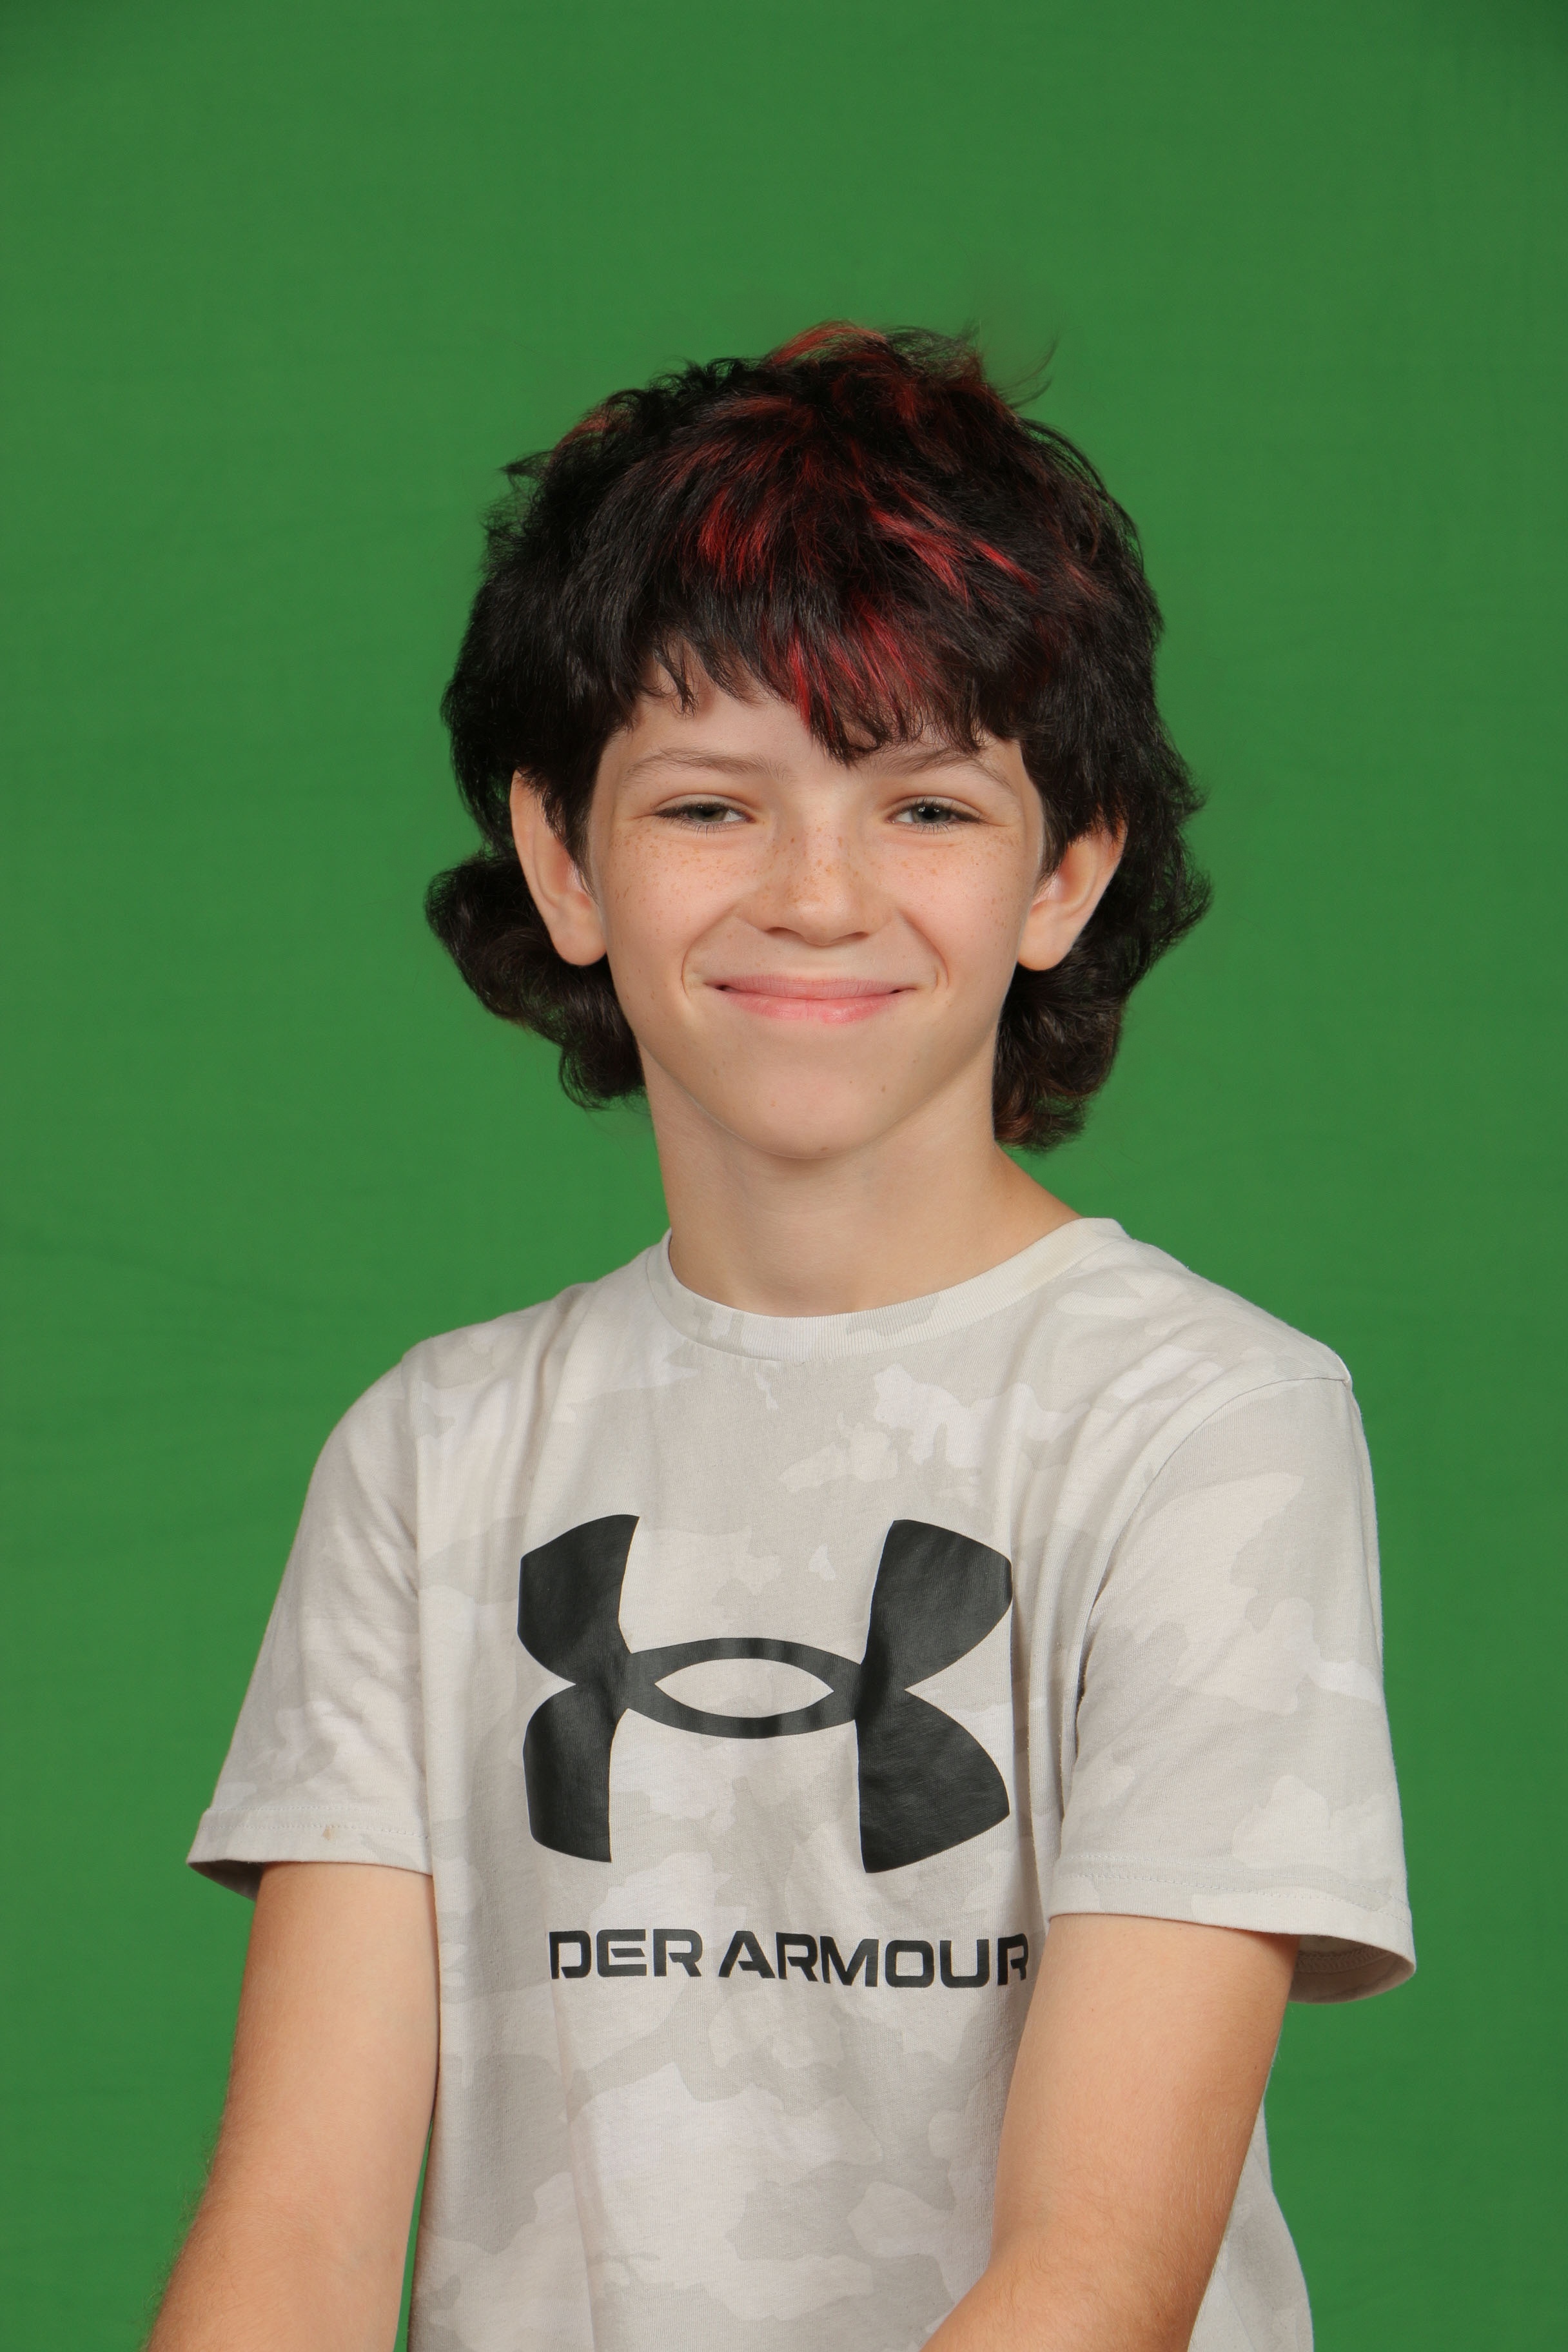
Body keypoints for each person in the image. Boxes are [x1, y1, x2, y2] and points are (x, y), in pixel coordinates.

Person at [150, 326, 1413, 2352]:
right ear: (563, 858)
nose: (819, 896)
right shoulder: (435, 1450)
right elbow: (295, 2242)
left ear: (1066, 874)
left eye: (927, 807)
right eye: (712, 804)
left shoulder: (1203, 1422)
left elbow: (1097, 2273)